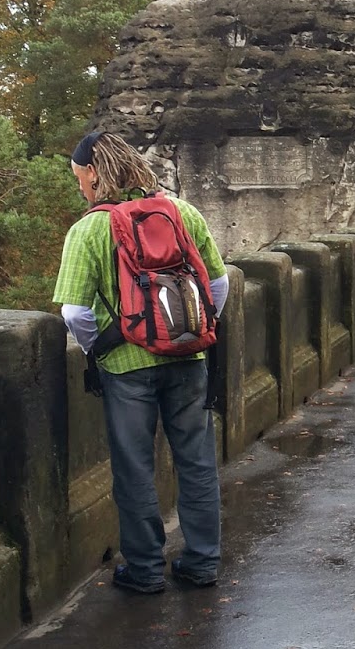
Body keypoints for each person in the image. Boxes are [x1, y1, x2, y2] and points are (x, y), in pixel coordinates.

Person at [53, 132, 231, 593]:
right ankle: (202, 562)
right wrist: (188, 331)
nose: (79, 186)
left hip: (126, 368)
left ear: (94, 173)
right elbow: (218, 286)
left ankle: (146, 570)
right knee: (196, 462)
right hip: (189, 357)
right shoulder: (182, 212)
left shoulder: (88, 230)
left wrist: (98, 348)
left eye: (79, 177)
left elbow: (74, 313)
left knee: (134, 469)